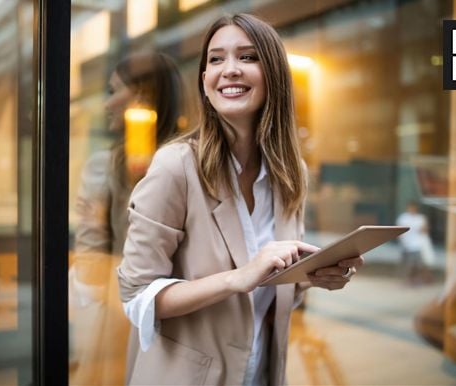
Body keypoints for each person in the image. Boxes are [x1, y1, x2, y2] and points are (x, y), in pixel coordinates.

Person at [117, 13, 364, 386]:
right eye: (216, 59)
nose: (229, 69)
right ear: (204, 81)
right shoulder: (176, 167)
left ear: (275, 76)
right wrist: (238, 278)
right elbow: (136, 297)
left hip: (260, 371)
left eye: (247, 57)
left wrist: (311, 277)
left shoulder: (289, 171)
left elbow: (268, 287)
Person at [69, 51, 184, 385]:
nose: (107, 104)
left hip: (125, 313)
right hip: (187, 315)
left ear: (141, 95)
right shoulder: (195, 162)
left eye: (113, 90)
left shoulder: (106, 166)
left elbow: (91, 263)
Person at [396, 200, 433, 285]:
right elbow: (399, 231)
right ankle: (409, 279)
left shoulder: (420, 218)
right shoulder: (403, 218)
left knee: (418, 263)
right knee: (410, 264)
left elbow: (425, 231)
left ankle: (417, 278)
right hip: (407, 244)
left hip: (418, 244)